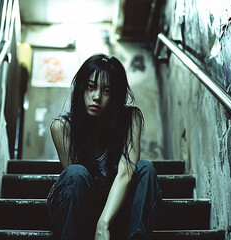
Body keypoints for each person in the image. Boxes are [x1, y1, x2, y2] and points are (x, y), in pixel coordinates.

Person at [47, 53, 162, 240]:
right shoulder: (62, 128)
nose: (97, 97)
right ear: (81, 88)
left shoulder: (131, 119)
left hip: (116, 211)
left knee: (145, 168)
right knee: (76, 173)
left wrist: (104, 223)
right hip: (83, 211)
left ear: (116, 96)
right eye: (91, 87)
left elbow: (126, 173)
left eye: (107, 91)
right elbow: (76, 187)